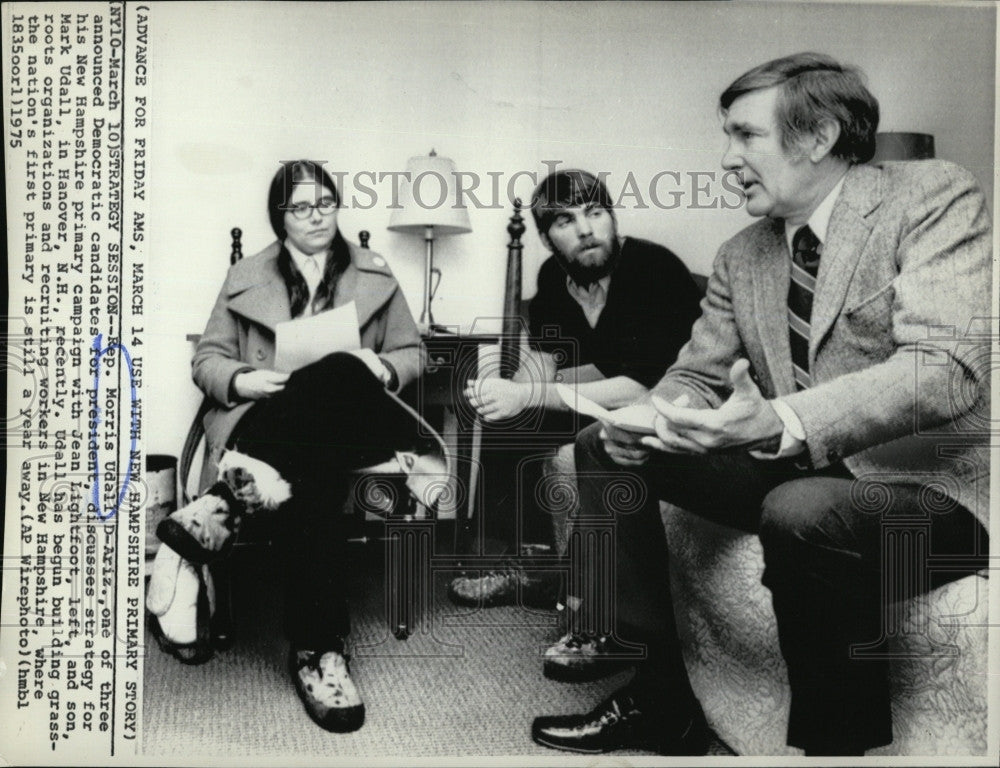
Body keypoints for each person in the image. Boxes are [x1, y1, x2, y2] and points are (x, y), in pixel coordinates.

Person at [531, 53, 991, 756]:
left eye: (745, 136)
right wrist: (658, 416)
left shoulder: (931, 197)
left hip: (925, 493)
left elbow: (947, 368)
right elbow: (697, 375)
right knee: (606, 447)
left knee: (800, 508)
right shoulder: (742, 253)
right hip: (804, 469)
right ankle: (661, 702)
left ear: (818, 136)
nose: (726, 159)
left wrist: (780, 419)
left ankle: (836, 749)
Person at [153, 160, 443, 735]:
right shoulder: (246, 275)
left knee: (339, 370)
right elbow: (207, 359)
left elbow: (414, 353)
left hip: (354, 425)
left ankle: (221, 505)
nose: (317, 216)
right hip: (274, 425)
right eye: (301, 207)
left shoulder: (375, 273)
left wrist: (378, 367)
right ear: (279, 217)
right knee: (314, 469)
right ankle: (319, 650)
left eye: (326, 204)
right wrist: (242, 381)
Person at [449, 169, 701, 679]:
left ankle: (580, 593)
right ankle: (530, 562)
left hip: (669, 407)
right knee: (506, 414)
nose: (586, 230)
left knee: (545, 416)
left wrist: (532, 391)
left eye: (596, 212)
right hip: (600, 394)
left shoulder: (654, 269)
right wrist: (504, 392)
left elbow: (645, 387)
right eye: (566, 220)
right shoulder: (551, 280)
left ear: (612, 217)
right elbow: (548, 362)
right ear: (547, 238)